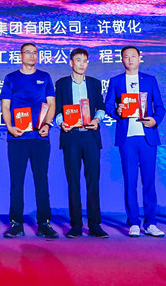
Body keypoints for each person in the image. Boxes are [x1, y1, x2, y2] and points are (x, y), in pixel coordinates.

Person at [105, 45, 166, 238]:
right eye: (126, 57)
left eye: (133, 56)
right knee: (130, 182)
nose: (130, 59)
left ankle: (151, 223)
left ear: (140, 58)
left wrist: (155, 120)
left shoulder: (150, 80)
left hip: (147, 137)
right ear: (122, 60)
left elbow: (160, 107)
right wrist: (117, 111)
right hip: (127, 138)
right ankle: (133, 222)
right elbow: (108, 106)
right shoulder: (116, 81)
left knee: (149, 182)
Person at [0, 42, 58, 238]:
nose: (32, 55)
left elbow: (51, 104)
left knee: (41, 180)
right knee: (17, 181)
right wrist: (10, 127)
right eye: (28, 52)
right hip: (17, 138)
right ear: (21, 55)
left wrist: (47, 125)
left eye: (35, 52)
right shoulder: (11, 78)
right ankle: (16, 223)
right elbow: (5, 106)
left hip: (39, 137)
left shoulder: (45, 76)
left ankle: (44, 223)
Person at [54, 48, 108, 238]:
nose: (82, 64)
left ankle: (95, 225)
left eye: (85, 61)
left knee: (93, 181)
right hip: (71, 136)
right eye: (78, 60)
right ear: (71, 62)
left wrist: (97, 119)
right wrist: (61, 122)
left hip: (91, 136)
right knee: (73, 181)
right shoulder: (62, 84)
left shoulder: (94, 83)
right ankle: (76, 225)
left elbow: (101, 107)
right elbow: (57, 110)